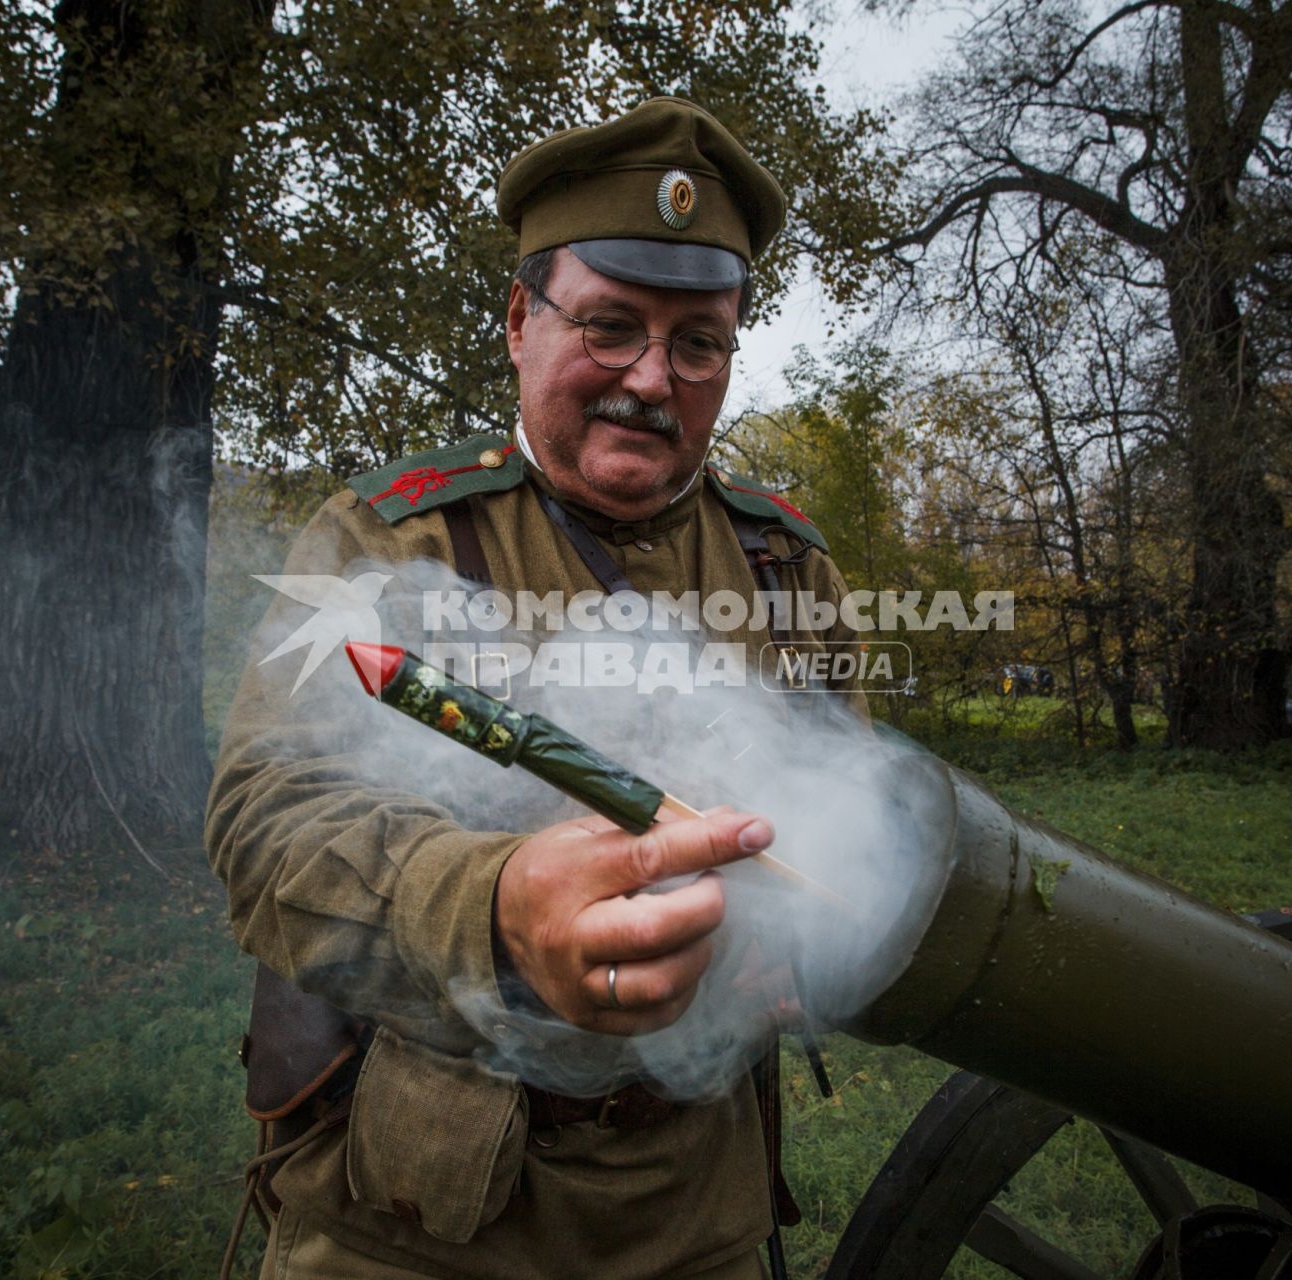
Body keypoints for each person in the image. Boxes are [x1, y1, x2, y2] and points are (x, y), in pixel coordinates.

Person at [207, 98, 867, 1280]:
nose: (651, 380)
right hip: (415, 1224)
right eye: (610, 326)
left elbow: (849, 833)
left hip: (700, 1219)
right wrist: (498, 905)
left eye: (699, 343)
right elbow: (263, 822)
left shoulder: (788, 565)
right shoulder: (382, 540)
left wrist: (804, 947)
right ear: (520, 320)